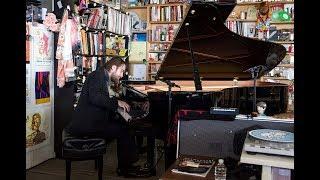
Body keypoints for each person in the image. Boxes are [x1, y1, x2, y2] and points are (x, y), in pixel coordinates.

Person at [67, 57, 149, 177]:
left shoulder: (102, 76)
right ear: (113, 68)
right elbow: (96, 97)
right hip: (87, 125)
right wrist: (117, 103)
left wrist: (119, 103)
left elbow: (104, 97)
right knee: (123, 130)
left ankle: (126, 165)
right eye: (121, 71)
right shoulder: (97, 76)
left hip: (92, 121)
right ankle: (126, 168)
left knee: (122, 125)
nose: (121, 75)